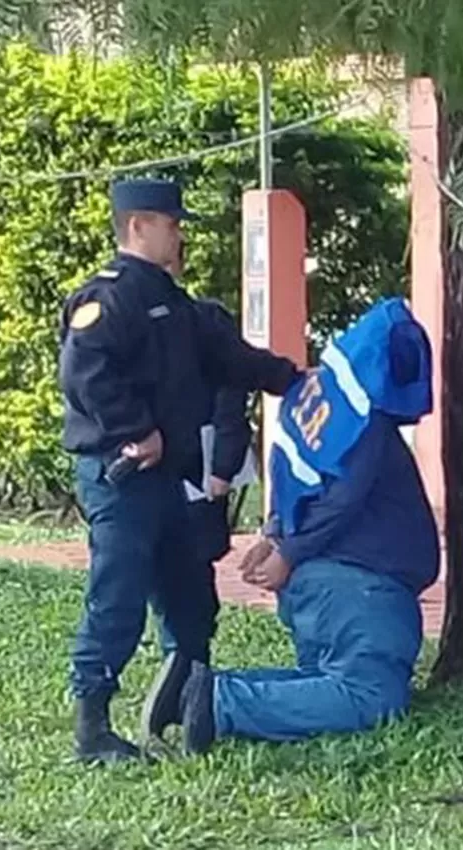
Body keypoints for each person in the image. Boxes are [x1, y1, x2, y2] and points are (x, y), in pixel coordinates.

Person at [57, 178, 299, 764]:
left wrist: (300, 381)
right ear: (138, 227)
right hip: (123, 476)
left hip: (174, 482)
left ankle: (186, 704)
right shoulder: (108, 299)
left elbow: (234, 360)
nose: (180, 232)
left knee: (192, 596)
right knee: (118, 594)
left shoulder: (181, 307)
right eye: (171, 223)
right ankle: (93, 728)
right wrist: (136, 430)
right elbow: (84, 373)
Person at [141, 297, 440, 753]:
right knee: (371, 696)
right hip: (360, 587)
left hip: (324, 587)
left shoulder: (316, 402)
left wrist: (275, 535)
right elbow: (342, 500)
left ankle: (196, 689)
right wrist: (287, 551)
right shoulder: (366, 426)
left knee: (325, 679)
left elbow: (293, 475)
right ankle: (218, 703)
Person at [143, 298, 294, 740]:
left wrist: (222, 467)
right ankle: (186, 671)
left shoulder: (191, 323)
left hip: (190, 472)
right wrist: (222, 470)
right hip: (188, 474)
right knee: (186, 580)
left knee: (178, 578)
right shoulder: (192, 324)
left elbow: (230, 400)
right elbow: (232, 401)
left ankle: (183, 667)